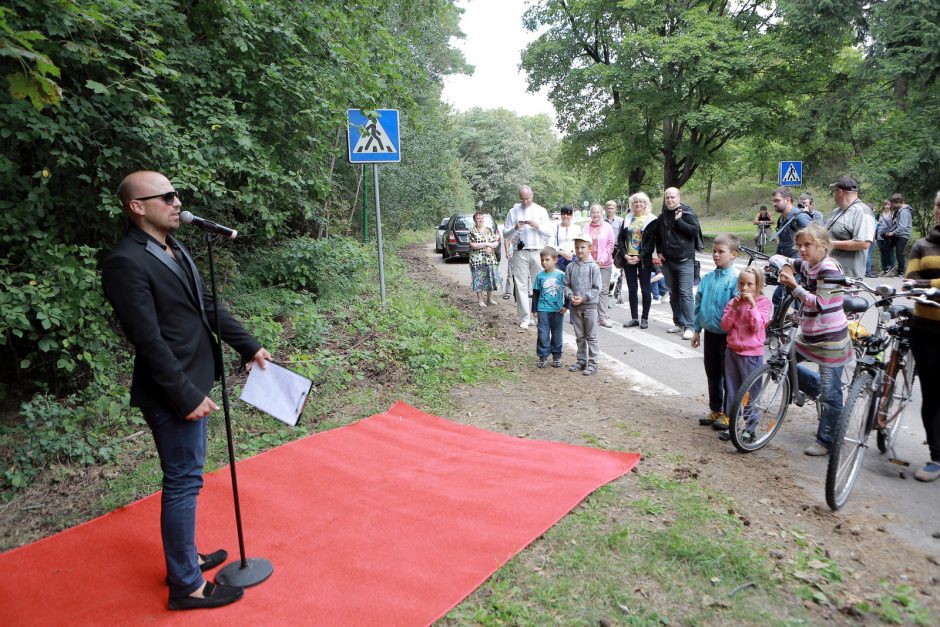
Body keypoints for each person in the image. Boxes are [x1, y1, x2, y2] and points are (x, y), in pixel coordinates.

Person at [102, 170, 272, 610]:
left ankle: (185, 558)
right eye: (166, 196)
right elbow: (148, 340)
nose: (177, 202)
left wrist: (249, 345)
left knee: (187, 477)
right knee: (183, 481)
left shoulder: (173, 247)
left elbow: (206, 305)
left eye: (177, 195)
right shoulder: (126, 261)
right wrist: (184, 394)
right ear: (137, 207)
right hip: (171, 390)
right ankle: (186, 585)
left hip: (196, 377)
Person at [770, 224, 852, 456]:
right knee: (781, 361)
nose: (802, 250)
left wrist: (794, 286)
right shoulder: (807, 263)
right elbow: (778, 257)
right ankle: (817, 391)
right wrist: (785, 265)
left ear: (823, 246)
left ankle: (827, 439)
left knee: (830, 393)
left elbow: (821, 304)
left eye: (808, 245)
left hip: (830, 340)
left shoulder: (829, 269)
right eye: (799, 245)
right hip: (809, 334)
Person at [904, 190, 940, 481]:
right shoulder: (922, 245)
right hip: (925, 328)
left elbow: (922, 283)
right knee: (931, 394)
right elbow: (910, 283)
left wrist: (930, 284)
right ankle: (936, 457)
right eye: (938, 205)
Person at [690, 234, 740, 431]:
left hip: (728, 336)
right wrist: (696, 330)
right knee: (712, 372)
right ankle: (716, 409)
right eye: (714, 252)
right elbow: (698, 304)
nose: (716, 255)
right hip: (710, 333)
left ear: (734, 254)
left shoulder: (737, 280)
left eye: (721, 252)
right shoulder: (708, 278)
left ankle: (730, 413)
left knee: (729, 375)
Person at [717, 267, 773, 442]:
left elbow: (757, 326)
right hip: (732, 351)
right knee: (732, 391)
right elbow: (725, 326)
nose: (745, 288)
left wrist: (752, 306)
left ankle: (750, 428)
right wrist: (734, 308)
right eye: (742, 284)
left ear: (758, 285)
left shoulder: (764, 303)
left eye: (750, 284)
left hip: (752, 355)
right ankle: (732, 424)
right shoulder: (734, 302)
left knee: (751, 393)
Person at [653, 187, 702, 340]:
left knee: (686, 294)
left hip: (685, 261)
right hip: (668, 261)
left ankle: (690, 326)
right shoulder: (662, 217)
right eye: (667, 197)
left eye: (672, 197)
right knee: (673, 294)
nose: (670, 200)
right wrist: (659, 251)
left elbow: (694, 231)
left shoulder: (686, 212)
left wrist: (679, 221)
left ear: (678, 197)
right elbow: (659, 236)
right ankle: (679, 322)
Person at [503, 185, 551, 329]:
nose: (524, 202)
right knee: (521, 285)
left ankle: (538, 315)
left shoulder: (540, 211)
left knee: (539, 285)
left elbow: (548, 233)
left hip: (537, 251)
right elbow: (505, 234)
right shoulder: (513, 211)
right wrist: (515, 228)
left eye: (527, 199)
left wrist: (537, 226)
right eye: (522, 199)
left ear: (532, 195)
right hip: (520, 252)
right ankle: (524, 318)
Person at [617, 192, 658, 329]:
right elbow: (620, 238)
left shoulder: (651, 219)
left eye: (641, 202)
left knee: (645, 290)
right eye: (635, 202)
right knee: (632, 289)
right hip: (628, 259)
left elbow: (651, 241)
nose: (638, 204)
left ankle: (644, 318)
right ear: (632, 204)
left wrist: (639, 256)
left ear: (646, 204)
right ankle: (634, 317)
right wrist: (625, 255)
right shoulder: (628, 218)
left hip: (643, 259)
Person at [770, 187, 814, 310]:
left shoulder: (800, 217)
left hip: (798, 266)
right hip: (787, 264)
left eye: (777, 200)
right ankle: (780, 325)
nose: (774, 203)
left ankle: (787, 326)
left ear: (788, 199)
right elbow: (783, 242)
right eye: (773, 201)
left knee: (788, 299)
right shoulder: (782, 219)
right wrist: (775, 261)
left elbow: (816, 237)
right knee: (781, 298)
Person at [564, 233, 601, 376]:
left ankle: (593, 363)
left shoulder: (594, 267)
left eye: (583, 247)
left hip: (590, 306)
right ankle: (581, 360)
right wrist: (570, 296)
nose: (579, 250)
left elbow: (597, 288)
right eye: (577, 247)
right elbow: (566, 285)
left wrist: (584, 298)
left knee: (591, 336)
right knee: (579, 336)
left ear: (589, 248)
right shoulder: (570, 267)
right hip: (575, 307)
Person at [825, 176, 875, 279]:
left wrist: (829, 244)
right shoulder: (835, 211)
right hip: (829, 272)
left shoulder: (863, 211)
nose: (834, 195)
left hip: (848, 277)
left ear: (840, 192)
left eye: (834, 191)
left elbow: (863, 243)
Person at [532, 246, 568, 369]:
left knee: (557, 334)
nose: (544, 263)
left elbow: (568, 291)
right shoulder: (539, 276)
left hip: (557, 310)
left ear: (555, 260)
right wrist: (534, 309)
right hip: (543, 309)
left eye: (547, 260)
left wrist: (566, 305)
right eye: (542, 260)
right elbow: (536, 293)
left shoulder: (561, 275)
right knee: (543, 333)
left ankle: (557, 355)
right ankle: (543, 355)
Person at [583, 203, 617, 327]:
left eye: (598, 212)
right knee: (588, 289)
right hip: (588, 263)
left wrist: (601, 259)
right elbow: (583, 245)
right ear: (590, 214)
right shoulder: (586, 228)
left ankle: (602, 317)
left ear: (602, 213)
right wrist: (591, 260)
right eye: (593, 212)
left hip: (604, 264)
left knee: (603, 290)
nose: (596, 215)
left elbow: (610, 245)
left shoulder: (608, 227)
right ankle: (589, 316)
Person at [467, 211, 502, 307]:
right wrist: (487, 244)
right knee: (478, 279)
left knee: (490, 278)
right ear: (474, 220)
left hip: (490, 259)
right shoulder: (472, 230)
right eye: (478, 218)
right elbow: (473, 245)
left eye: (482, 218)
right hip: (477, 260)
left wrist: (490, 247)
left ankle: (489, 299)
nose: (480, 220)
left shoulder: (489, 230)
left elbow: (496, 242)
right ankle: (480, 300)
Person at [883, 192, 914, 276]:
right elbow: (901, 224)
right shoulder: (901, 211)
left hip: (903, 235)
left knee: (899, 252)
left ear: (897, 202)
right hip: (898, 234)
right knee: (887, 248)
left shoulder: (904, 212)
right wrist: (896, 220)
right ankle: (889, 268)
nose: (892, 205)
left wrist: (892, 233)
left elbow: (903, 227)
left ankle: (901, 272)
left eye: (893, 203)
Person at [550, 205, 578, 272]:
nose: (565, 216)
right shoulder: (555, 227)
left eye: (568, 214)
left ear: (571, 215)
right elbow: (550, 244)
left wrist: (572, 253)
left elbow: (579, 243)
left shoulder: (577, 228)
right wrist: (561, 253)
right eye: (563, 214)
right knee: (559, 280)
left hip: (573, 259)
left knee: (572, 280)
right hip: (558, 259)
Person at [876, 199, 895, 276]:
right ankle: (884, 269)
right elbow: (875, 226)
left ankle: (892, 270)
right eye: (885, 205)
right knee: (882, 252)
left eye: (889, 205)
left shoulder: (893, 214)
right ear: (883, 206)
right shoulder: (879, 215)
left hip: (889, 236)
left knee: (890, 252)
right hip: (880, 236)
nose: (887, 206)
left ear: (891, 206)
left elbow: (895, 225)